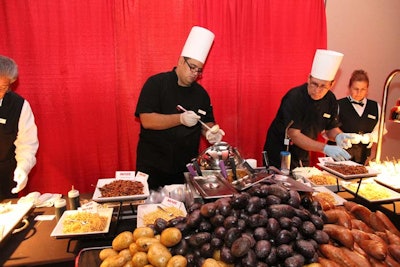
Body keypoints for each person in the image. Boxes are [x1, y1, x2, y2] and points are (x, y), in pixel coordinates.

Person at [135, 26, 225, 190]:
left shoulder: (201, 94)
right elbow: (146, 120)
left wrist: (212, 133)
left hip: (185, 168)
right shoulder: (156, 84)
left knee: (183, 210)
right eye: (192, 67)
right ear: (181, 61)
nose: (195, 73)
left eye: (199, 70)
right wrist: (180, 119)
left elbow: (207, 123)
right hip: (153, 165)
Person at [263, 49, 352, 170]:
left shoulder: (330, 99)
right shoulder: (294, 97)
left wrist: (339, 136)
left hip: (304, 152)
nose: (317, 90)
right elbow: (294, 134)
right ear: (309, 78)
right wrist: (324, 148)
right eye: (314, 84)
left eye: (323, 86)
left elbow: (331, 128)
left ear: (331, 84)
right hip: (280, 153)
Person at [0, 55, 39, 201]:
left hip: (4, 179)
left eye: (2, 88)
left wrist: (23, 167)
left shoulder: (19, 106)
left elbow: (27, 144)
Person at [329, 70, 384, 164]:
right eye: (356, 89)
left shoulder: (375, 106)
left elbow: (380, 130)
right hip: (339, 157)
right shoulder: (337, 105)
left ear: (367, 89)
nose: (359, 92)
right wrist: (342, 137)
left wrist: (370, 137)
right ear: (349, 88)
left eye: (363, 89)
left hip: (363, 157)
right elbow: (329, 130)